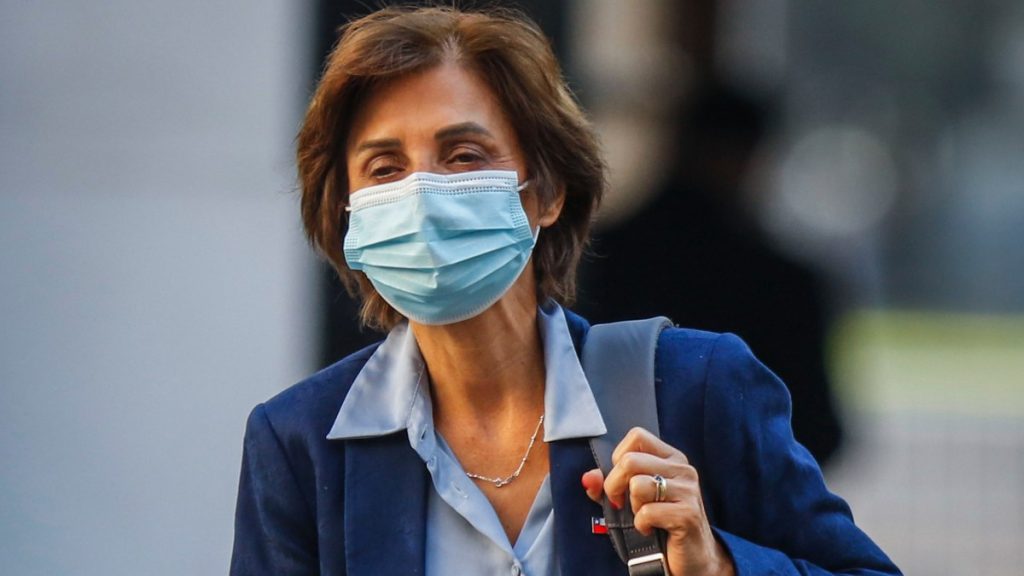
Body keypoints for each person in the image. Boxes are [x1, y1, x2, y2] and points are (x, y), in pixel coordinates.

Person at [231, 6, 900, 576]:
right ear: (347, 212)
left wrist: (719, 564)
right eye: (385, 167)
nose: (423, 193)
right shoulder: (300, 443)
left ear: (546, 192)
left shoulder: (697, 388)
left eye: (463, 156)